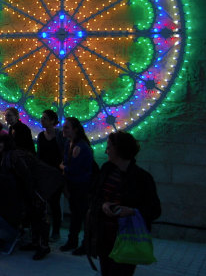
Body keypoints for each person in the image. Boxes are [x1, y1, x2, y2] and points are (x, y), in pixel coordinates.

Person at [87, 131, 161, 276]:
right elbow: (92, 195)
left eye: (109, 147)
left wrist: (132, 211)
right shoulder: (106, 169)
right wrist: (103, 205)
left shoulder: (142, 178)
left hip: (126, 240)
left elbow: (155, 210)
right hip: (104, 238)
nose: (106, 151)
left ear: (119, 149)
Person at [0, 134, 64, 260]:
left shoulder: (15, 155)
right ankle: (35, 243)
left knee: (41, 214)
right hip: (36, 185)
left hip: (43, 182)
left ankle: (44, 246)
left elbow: (26, 175)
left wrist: (32, 194)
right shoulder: (9, 156)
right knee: (34, 213)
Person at [60, 117, 94, 256]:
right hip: (74, 184)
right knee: (76, 214)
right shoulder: (70, 144)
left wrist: (62, 166)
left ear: (75, 130)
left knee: (82, 214)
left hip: (82, 186)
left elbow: (71, 169)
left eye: (66, 128)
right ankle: (72, 241)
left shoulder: (79, 147)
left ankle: (85, 244)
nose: (63, 130)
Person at [36, 109, 66, 241]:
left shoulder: (60, 137)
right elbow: (39, 156)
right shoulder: (41, 136)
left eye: (44, 118)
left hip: (56, 174)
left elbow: (63, 155)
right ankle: (44, 229)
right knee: (43, 204)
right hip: (44, 174)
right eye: (41, 118)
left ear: (52, 121)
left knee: (54, 203)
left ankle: (56, 230)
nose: (42, 120)